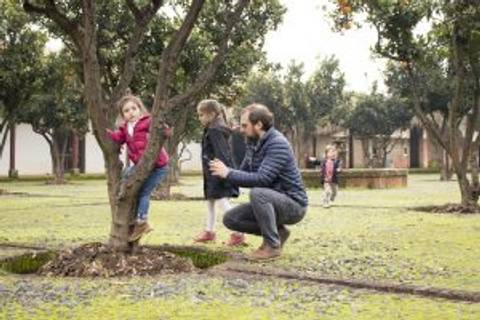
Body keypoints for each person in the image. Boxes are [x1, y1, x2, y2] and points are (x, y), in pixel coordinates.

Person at [209, 103, 308, 260]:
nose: (241, 130)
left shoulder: (277, 143)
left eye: (245, 125)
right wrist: (224, 173)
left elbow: (263, 179)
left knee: (258, 193)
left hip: (293, 205)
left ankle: (272, 246)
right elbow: (245, 174)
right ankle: (279, 233)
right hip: (270, 201)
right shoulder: (253, 144)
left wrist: (229, 173)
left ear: (259, 124)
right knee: (231, 219)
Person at [107, 93, 169, 242]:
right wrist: (106, 132)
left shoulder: (147, 122)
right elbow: (118, 138)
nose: (131, 112)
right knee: (127, 173)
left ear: (140, 109)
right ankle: (125, 198)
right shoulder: (125, 128)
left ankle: (142, 222)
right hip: (140, 166)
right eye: (126, 111)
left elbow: (163, 130)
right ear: (123, 115)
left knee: (144, 192)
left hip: (158, 166)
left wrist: (165, 130)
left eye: (134, 108)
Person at [193, 99, 245, 246]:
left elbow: (222, 153)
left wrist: (222, 172)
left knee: (222, 202)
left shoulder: (215, 129)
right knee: (210, 201)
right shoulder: (214, 127)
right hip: (212, 172)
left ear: (212, 114)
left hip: (218, 173)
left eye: (202, 115)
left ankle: (238, 232)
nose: (200, 118)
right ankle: (209, 231)